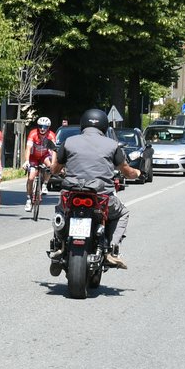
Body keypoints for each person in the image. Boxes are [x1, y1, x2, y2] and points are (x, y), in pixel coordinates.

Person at [50, 107, 140, 268]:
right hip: (101, 197)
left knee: (60, 211)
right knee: (123, 213)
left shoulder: (69, 142)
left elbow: (55, 169)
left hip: (71, 194)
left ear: (83, 125)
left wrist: (60, 167)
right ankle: (112, 250)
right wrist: (138, 173)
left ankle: (58, 244)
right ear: (104, 126)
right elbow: (127, 172)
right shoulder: (112, 145)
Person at [22, 115, 58, 213]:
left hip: (44, 156)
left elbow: (54, 150)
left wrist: (54, 163)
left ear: (48, 128)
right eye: (40, 126)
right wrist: (26, 161)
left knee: (49, 166)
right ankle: (29, 199)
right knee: (30, 178)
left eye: (45, 127)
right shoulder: (33, 134)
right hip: (33, 156)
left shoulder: (51, 135)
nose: (42, 129)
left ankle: (45, 184)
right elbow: (28, 148)